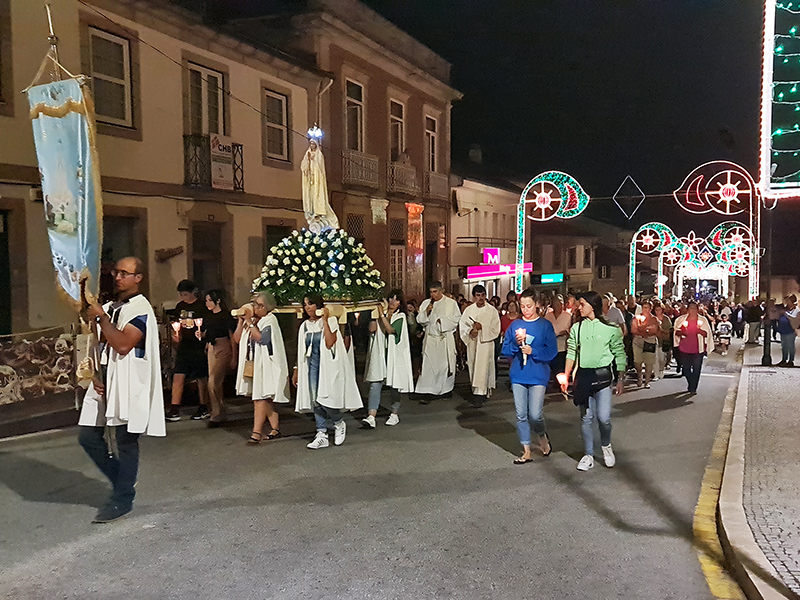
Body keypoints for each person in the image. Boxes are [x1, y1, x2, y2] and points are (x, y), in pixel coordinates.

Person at [79, 257, 165, 523]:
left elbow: (124, 345)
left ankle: (122, 499)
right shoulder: (110, 306)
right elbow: (90, 329)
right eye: (116, 272)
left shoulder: (140, 308)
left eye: (125, 273)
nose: (118, 277)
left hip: (129, 383)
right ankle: (123, 481)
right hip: (104, 380)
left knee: (126, 442)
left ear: (138, 277)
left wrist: (102, 318)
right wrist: (82, 291)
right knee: (87, 436)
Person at [560, 291, 626, 472]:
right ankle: (588, 454)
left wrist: (620, 377)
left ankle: (606, 446)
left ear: (592, 306)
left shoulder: (611, 328)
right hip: (584, 377)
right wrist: (566, 375)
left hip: (603, 377)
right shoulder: (577, 328)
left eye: (582, 304)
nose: (578, 307)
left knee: (604, 417)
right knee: (586, 418)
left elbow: (619, 353)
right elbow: (571, 352)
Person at [293, 293, 362, 449]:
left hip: (327, 367)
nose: (308, 307)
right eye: (305, 304)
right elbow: (301, 350)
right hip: (311, 366)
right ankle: (321, 433)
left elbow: (331, 342)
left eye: (310, 303)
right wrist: (296, 369)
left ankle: (338, 422)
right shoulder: (304, 326)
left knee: (326, 399)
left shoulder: (330, 321)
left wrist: (324, 319)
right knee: (315, 401)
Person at [501, 287, 558, 463]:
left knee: (535, 414)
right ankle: (526, 450)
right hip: (518, 374)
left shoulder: (545, 325)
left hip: (538, 374)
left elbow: (552, 351)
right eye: (522, 306)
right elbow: (505, 349)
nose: (525, 310)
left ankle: (541, 435)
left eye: (529, 306)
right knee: (521, 414)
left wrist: (533, 351)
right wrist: (516, 346)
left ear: (537, 305)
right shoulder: (515, 325)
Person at [233, 291, 290, 444]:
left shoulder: (270, 320)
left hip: (266, 364)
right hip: (253, 363)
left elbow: (262, 339)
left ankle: (256, 432)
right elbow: (237, 339)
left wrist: (250, 323)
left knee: (260, 397)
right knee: (264, 397)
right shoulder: (250, 320)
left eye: (259, 305)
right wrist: (241, 322)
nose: (256, 308)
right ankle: (275, 428)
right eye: (255, 304)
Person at [363, 290, 415, 427]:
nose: (393, 302)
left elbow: (391, 330)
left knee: (394, 385)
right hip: (380, 354)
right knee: (375, 384)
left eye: (396, 300)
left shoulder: (401, 316)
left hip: (394, 356)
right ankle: (371, 416)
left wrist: (382, 315)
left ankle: (394, 413)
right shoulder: (382, 315)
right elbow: (372, 329)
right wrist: (375, 315)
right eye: (391, 298)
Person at [166, 279, 209, 421]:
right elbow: (176, 323)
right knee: (178, 374)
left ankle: (203, 405)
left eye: (185, 294)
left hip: (198, 345)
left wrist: (204, 336)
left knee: (200, 377)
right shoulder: (180, 307)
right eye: (181, 294)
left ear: (193, 292)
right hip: (184, 345)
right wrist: (176, 335)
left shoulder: (202, 306)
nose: (183, 297)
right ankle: (174, 408)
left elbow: (208, 326)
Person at [415, 281, 461, 402]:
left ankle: (445, 390)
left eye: (435, 292)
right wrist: (427, 313)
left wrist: (443, 322)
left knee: (444, 367)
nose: (432, 295)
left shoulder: (451, 303)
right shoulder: (426, 303)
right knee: (428, 367)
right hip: (430, 339)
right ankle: (427, 392)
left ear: (441, 291)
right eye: (431, 292)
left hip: (444, 339)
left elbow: (456, 319)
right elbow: (420, 319)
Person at [459, 285, 502, 405]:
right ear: (474, 297)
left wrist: (482, 327)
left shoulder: (492, 310)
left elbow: (496, 328)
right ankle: (475, 390)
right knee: (474, 366)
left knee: (484, 367)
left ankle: (481, 394)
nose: (481, 298)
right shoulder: (469, 310)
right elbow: (463, 326)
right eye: (478, 295)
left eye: (483, 295)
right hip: (473, 343)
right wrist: (471, 332)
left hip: (486, 344)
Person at [199, 289, 236, 426]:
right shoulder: (208, 316)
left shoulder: (226, 316)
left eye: (210, 300)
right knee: (216, 383)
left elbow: (232, 337)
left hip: (224, 346)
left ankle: (216, 413)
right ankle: (220, 410)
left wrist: (234, 356)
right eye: (206, 300)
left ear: (218, 300)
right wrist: (200, 334)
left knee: (213, 380)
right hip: (211, 347)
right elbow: (207, 333)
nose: (207, 303)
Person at [674, 301, 714, 395]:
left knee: (696, 368)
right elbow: (676, 331)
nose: (692, 310)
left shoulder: (703, 320)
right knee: (686, 368)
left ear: (697, 310)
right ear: (688, 309)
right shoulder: (681, 320)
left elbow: (707, 333)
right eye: (690, 308)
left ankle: (693, 387)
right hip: (685, 347)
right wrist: (683, 332)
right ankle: (691, 382)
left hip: (697, 348)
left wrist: (699, 331)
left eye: (694, 308)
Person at [301, 137, 339, 231]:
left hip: (317, 180)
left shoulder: (319, 155)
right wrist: (308, 161)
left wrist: (314, 161)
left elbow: (320, 168)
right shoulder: (307, 154)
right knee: (310, 197)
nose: (312, 146)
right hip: (309, 180)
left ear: (316, 145)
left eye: (313, 144)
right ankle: (312, 212)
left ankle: (319, 212)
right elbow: (303, 166)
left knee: (318, 195)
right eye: (311, 144)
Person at [631, 300, 660, 388]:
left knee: (649, 363)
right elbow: (633, 330)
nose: (645, 310)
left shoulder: (654, 319)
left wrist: (644, 331)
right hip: (638, 342)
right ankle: (639, 375)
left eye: (647, 308)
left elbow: (654, 330)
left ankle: (647, 381)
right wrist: (643, 331)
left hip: (650, 342)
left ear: (650, 309)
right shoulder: (637, 318)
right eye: (643, 307)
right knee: (637, 361)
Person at [545, 294, 572, 380]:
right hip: (551, 344)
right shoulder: (548, 316)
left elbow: (571, 330)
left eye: (561, 303)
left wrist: (566, 332)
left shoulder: (568, 316)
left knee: (560, 366)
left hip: (562, 345)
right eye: (557, 304)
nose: (559, 306)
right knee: (552, 365)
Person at [776, 294, 799, 367]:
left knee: (790, 345)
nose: (786, 301)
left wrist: (785, 313)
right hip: (783, 329)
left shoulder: (796, 309)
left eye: (788, 300)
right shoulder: (785, 308)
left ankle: (791, 360)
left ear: (792, 300)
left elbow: (794, 318)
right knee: (784, 345)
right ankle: (784, 359)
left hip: (791, 330)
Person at [653, 302, 673, 379]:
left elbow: (669, 330)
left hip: (663, 340)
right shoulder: (653, 318)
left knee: (661, 358)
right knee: (655, 358)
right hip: (655, 340)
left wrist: (661, 329)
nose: (657, 311)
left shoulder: (666, 319)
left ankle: (661, 369)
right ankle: (656, 374)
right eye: (656, 310)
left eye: (659, 310)